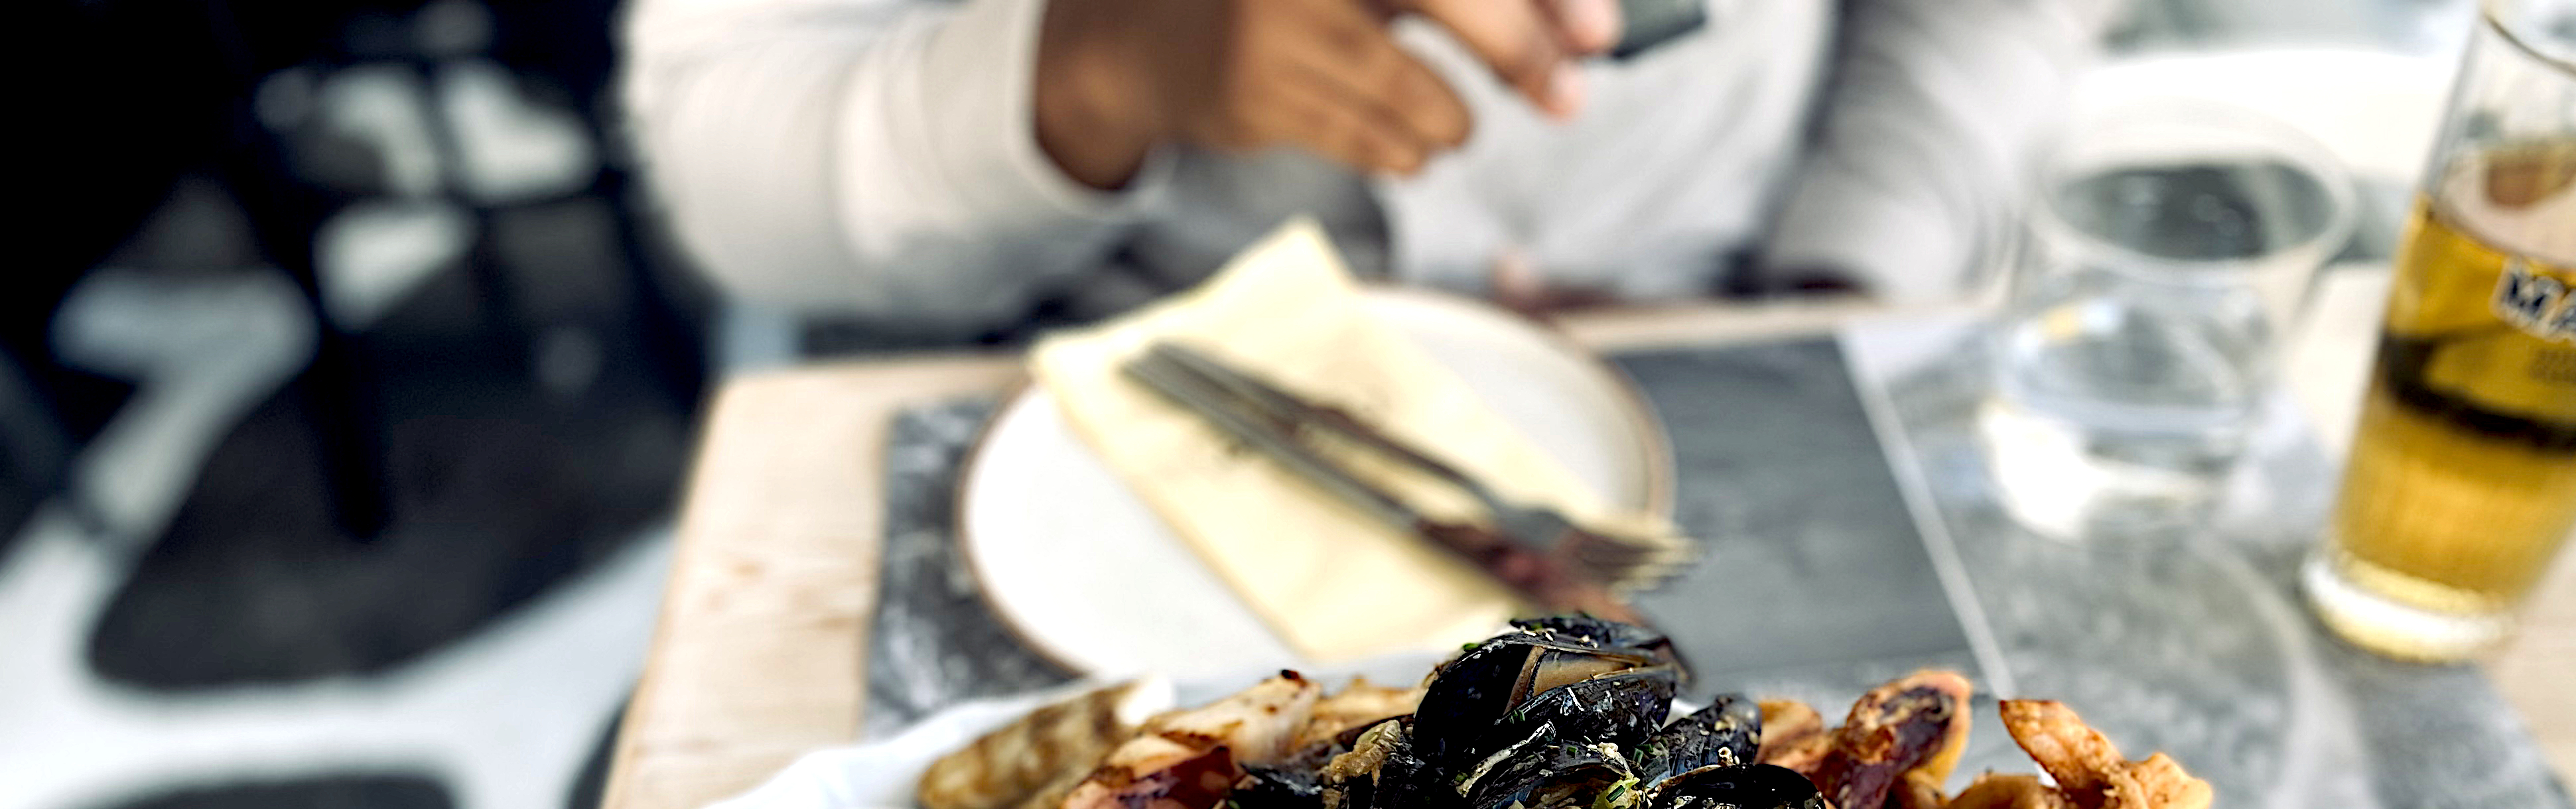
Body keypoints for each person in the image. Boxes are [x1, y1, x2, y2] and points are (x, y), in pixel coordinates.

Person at [624, 0, 2110, 340]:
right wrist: (1106, 61)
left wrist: (1841, 284)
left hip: (1746, 326)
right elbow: (729, 167)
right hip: (1144, 384)